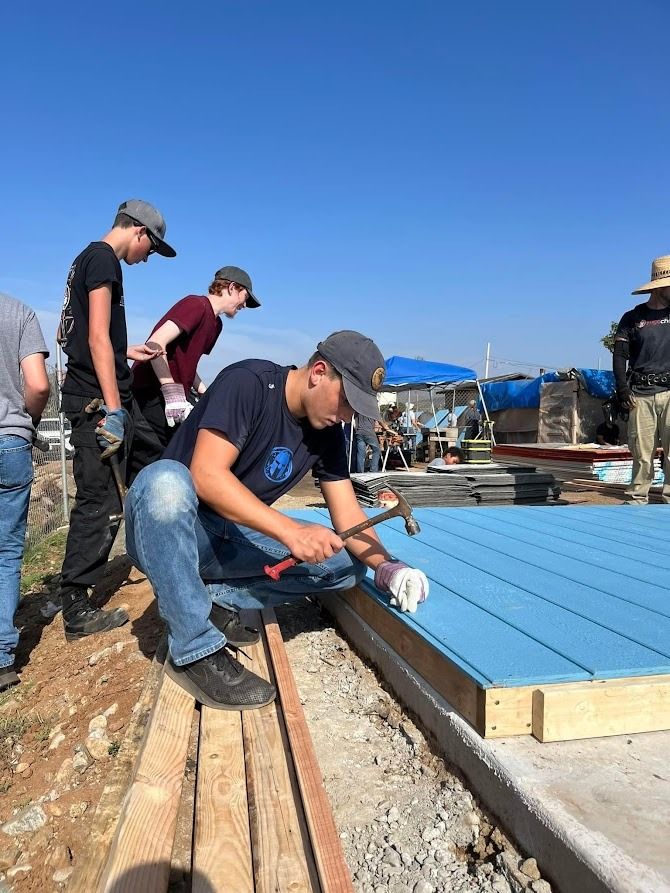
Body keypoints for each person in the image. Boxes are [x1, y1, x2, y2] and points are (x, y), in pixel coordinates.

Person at [124, 330, 430, 711]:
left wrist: (388, 568)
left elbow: (348, 513)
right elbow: (205, 475)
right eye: (348, 402)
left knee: (346, 566)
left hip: (226, 538)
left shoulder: (327, 432)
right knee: (165, 480)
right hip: (171, 530)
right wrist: (291, 530)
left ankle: (210, 600)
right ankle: (193, 651)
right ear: (319, 372)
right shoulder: (248, 383)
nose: (347, 416)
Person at [56, 199, 177, 640]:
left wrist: (129, 351)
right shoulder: (105, 260)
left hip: (95, 389)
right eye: (151, 248)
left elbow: (87, 335)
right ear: (139, 232)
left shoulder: (85, 259)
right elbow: (94, 336)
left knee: (150, 465)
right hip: (96, 401)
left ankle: (160, 549)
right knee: (99, 500)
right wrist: (112, 407)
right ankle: (74, 606)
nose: (146, 258)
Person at [132, 266, 261, 447]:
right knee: (157, 457)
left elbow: (188, 365)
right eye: (245, 297)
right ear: (232, 287)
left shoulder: (216, 325)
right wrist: (171, 391)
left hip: (173, 401)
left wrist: (207, 393)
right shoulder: (196, 305)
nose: (245, 305)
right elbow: (155, 343)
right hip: (149, 393)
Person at [0, 295, 50, 691]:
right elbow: (37, 384)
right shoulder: (18, 311)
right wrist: (24, 424)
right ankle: (1, 658)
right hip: (10, 441)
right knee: (6, 551)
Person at [614, 255, 670, 503]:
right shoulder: (632, 318)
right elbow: (619, 357)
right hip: (640, 394)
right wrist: (623, 391)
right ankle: (637, 498)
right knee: (641, 452)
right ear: (659, 287)